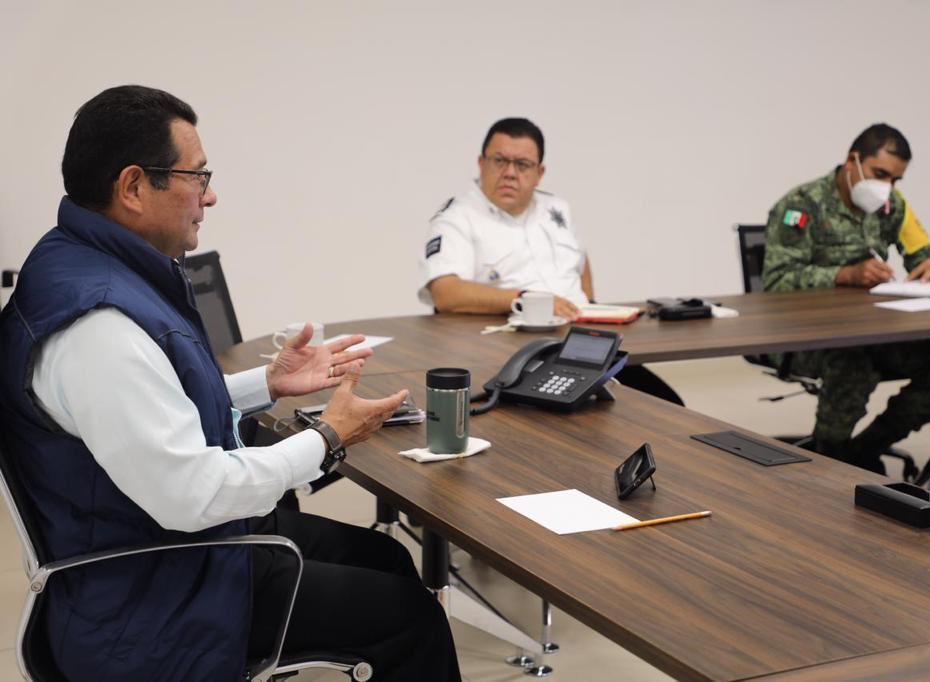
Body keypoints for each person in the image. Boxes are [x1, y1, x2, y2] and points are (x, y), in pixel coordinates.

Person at [0, 85, 460, 682]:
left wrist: (266, 382)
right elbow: (194, 495)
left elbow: (148, 404)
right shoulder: (99, 329)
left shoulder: (77, 261)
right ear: (134, 187)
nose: (210, 196)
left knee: (387, 556)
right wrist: (326, 438)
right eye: (197, 176)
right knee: (411, 618)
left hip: (158, 547)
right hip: (156, 598)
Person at [418, 117, 682, 404]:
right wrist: (526, 300)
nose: (510, 173)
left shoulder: (556, 208)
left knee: (668, 404)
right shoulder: (457, 217)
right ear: (481, 163)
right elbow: (446, 293)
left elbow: (580, 264)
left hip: (580, 344)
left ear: (539, 173)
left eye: (522, 164)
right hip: (514, 352)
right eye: (499, 161)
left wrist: (586, 306)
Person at [762, 123, 930, 472]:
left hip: (871, 332)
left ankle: (864, 450)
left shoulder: (892, 205)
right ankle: (827, 461)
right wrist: (845, 275)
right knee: (852, 365)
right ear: (853, 161)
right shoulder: (801, 205)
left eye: (895, 179)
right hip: (805, 338)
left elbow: (922, 250)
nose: (886, 187)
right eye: (880, 174)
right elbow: (776, 282)